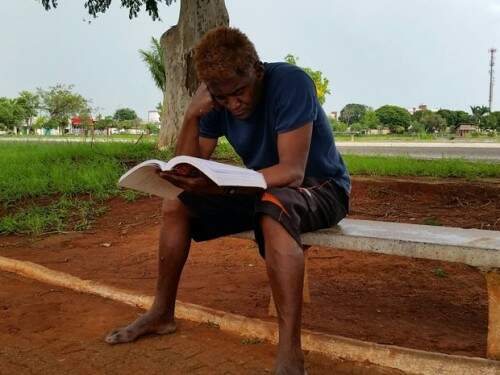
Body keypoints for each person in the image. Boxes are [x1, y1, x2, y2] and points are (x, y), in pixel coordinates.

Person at [105, 26, 350, 375]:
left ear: (257, 70)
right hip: (264, 189)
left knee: (274, 209)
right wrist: (192, 114)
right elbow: (183, 166)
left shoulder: (292, 83)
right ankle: (162, 313)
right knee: (177, 203)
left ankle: (290, 354)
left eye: (240, 92)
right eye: (222, 99)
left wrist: (224, 187)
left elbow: (293, 173)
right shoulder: (217, 101)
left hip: (322, 189)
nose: (234, 104)